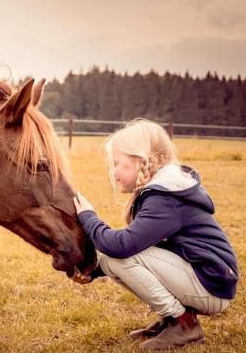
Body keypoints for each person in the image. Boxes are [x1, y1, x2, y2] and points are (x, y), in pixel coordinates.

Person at [73, 119, 238, 350]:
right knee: (110, 260)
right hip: (208, 279)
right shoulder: (163, 191)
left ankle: (184, 324)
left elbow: (122, 246)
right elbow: (147, 246)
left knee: (114, 256)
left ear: (141, 162)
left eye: (118, 164)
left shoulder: (165, 198)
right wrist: (95, 271)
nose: (114, 173)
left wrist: (89, 217)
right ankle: (172, 320)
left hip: (211, 285)